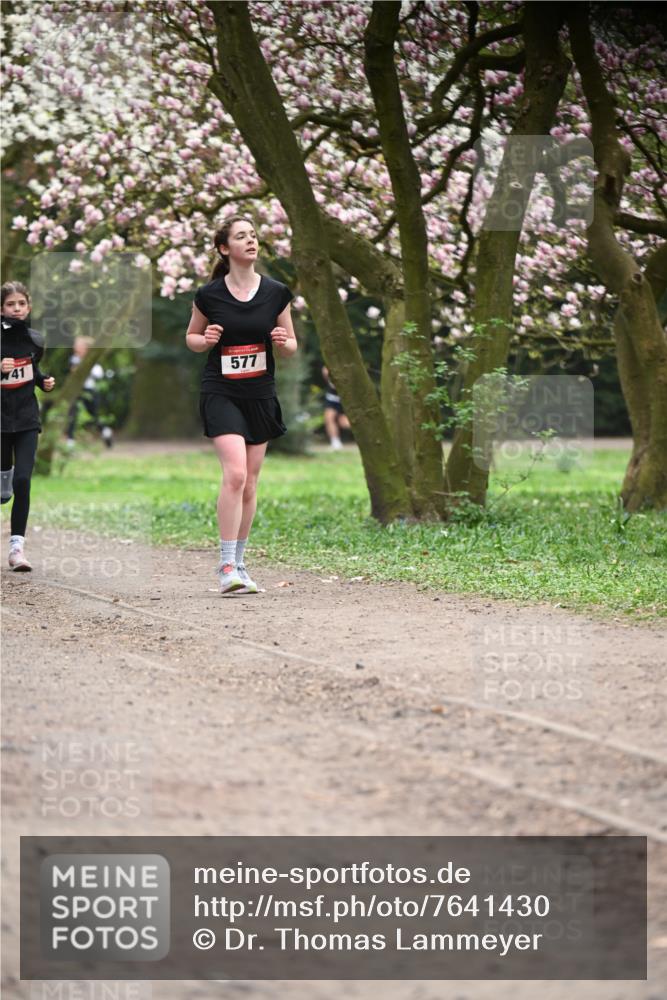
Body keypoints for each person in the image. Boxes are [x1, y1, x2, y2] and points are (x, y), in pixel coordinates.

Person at [186, 215, 297, 595]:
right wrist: (207, 339)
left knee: (250, 483)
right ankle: (226, 564)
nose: (251, 241)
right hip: (221, 391)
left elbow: (293, 345)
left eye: (253, 235)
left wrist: (283, 341)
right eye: (241, 236)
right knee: (234, 474)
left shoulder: (277, 292)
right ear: (224, 248)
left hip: (260, 395)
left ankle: (241, 563)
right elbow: (192, 338)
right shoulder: (210, 295)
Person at [1, 281, 56, 571]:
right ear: (1, 309)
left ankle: (16, 549)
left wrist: (43, 382)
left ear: (29, 307)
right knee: (3, 489)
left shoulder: (35, 340)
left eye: (21, 304)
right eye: (11, 304)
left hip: (25, 419)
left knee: (23, 480)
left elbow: (32, 371)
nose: (17, 309)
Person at [66, 335, 114, 448]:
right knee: (73, 415)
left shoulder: (92, 360)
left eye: (78, 345)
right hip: (77, 391)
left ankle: (106, 432)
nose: (75, 347)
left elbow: (99, 374)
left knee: (93, 417)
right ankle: (70, 442)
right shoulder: (74, 359)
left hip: (90, 391)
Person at [322, 365, 351, 450]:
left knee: (344, 423)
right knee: (329, 418)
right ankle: (335, 442)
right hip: (332, 397)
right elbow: (326, 375)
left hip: (344, 398)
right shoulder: (328, 365)